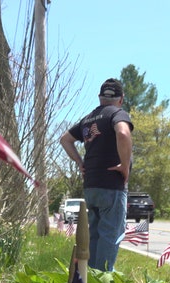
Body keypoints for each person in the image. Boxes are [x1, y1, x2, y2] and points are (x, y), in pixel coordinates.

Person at [59, 78, 133, 272]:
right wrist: (125, 166)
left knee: (94, 236)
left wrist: (79, 162)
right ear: (121, 99)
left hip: (91, 185)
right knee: (110, 236)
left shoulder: (88, 119)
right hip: (111, 185)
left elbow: (65, 139)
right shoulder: (117, 114)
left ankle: (87, 280)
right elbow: (123, 134)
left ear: (100, 98)